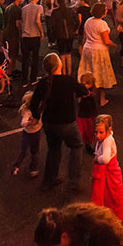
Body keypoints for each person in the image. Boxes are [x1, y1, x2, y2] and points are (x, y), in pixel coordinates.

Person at [31, 53, 88, 192]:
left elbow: (33, 103)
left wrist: (37, 116)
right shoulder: (68, 81)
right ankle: (73, 182)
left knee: (54, 149)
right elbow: (83, 91)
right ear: (59, 65)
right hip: (67, 123)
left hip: (49, 124)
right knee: (77, 146)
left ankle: (50, 179)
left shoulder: (43, 83)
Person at [77, 3, 116, 107]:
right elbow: (106, 41)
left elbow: (85, 37)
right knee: (101, 74)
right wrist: (114, 45)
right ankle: (102, 99)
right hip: (99, 51)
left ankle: (82, 95)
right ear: (102, 12)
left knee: (87, 72)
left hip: (87, 49)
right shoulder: (102, 24)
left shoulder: (88, 21)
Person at [90, 114, 123, 221]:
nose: (98, 135)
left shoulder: (107, 141)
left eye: (101, 132)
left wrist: (97, 159)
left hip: (109, 173)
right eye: (96, 132)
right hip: (108, 173)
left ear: (109, 129)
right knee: (109, 196)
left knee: (110, 196)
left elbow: (105, 159)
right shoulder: (105, 138)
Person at [12, 90, 42, 178]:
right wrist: (32, 123)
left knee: (25, 151)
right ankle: (33, 169)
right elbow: (23, 123)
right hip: (33, 133)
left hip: (29, 133)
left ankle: (17, 166)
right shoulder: (29, 112)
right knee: (34, 152)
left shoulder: (32, 110)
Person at [21, 0, 46, 84]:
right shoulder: (39, 7)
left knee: (25, 58)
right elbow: (38, 21)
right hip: (35, 34)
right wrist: (42, 32)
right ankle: (33, 78)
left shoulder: (24, 8)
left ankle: (24, 80)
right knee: (35, 58)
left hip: (25, 35)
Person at [4, 0, 25, 77]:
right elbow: (18, 23)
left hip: (7, 32)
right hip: (13, 34)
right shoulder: (17, 9)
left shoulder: (8, 8)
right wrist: (21, 34)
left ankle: (11, 69)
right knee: (13, 54)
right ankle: (10, 72)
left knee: (9, 53)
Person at [77, 73, 98, 154]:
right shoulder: (81, 90)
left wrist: (87, 94)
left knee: (89, 131)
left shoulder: (93, 91)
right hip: (82, 114)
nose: (84, 85)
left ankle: (88, 144)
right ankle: (81, 143)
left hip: (90, 114)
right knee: (81, 130)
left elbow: (93, 94)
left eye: (86, 83)